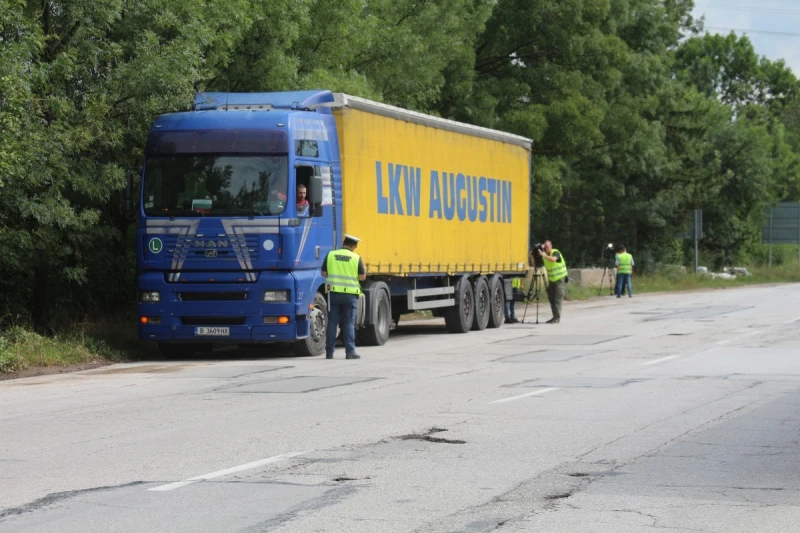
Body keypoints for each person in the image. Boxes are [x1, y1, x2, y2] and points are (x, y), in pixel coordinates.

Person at [322, 234, 367, 360]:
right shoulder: (356, 257)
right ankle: (350, 352)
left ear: (343, 243)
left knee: (332, 323)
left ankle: (329, 353)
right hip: (350, 296)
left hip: (334, 295)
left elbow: (324, 273)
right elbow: (363, 277)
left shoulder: (331, 255)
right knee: (348, 323)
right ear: (354, 246)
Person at [537, 240, 567, 324]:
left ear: (551, 246)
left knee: (557, 298)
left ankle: (557, 318)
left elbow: (553, 259)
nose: (546, 248)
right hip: (552, 280)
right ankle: (554, 317)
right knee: (552, 299)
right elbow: (535, 261)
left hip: (559, 279)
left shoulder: (555, 252)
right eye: (544, 246)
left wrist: (542, 254)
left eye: (547, 246)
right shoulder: (545, 255)